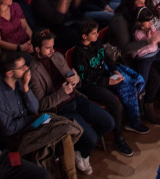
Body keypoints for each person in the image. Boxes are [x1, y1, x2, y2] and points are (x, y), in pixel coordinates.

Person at [27, 28, 115, 176]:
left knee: (109, 122)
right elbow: (41, 105)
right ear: (37, 49)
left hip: (75, 98)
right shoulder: (33, 72)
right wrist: (62, 93)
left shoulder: (57, 57)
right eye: (48, 48)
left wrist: (76, 79)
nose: (52, 50)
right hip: (60, 110)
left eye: (53, 46)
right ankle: (81, 150)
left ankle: (79, 149)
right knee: (92, 138)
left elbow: (71, 76)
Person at [0, 51, 80, 179]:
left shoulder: (21, 82)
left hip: (33, 124)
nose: (26, 68)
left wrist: (25, 88)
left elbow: (35, 108)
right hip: (16, 138)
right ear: (9, 73)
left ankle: (71, 177)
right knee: (46, 142)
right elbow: (8, 129)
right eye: (22, 67)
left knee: (63, 131)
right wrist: (30, 118)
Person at [72, 19, 146, 155]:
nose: (97, 35)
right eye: (94, 33)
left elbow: (105, 58)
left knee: (129, 85)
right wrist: (108, 82)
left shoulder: (97, 42)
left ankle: (134, 121)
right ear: (84, 36)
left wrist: (114, 71)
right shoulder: (79, 53)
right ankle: (118, 139)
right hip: (91, 86)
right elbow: (87, 77)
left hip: (106, 76)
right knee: (116, 105)